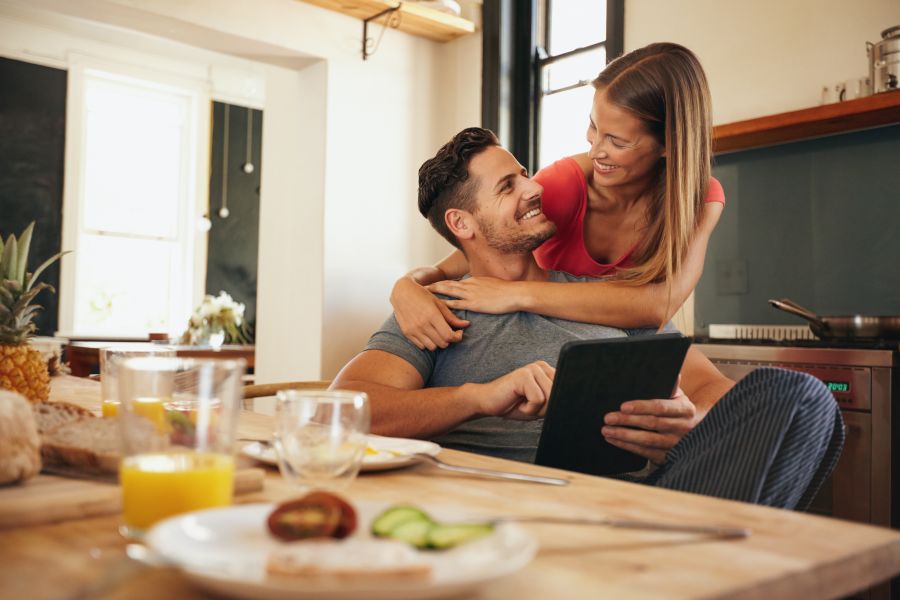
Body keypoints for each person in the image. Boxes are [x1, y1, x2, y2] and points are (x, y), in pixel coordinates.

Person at [332, 128, 843, 509]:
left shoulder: (604, 298)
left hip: (647, 496)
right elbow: (350, 410)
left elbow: (712, 388)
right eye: (508, 186)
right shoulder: (436, 309)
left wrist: (691, 423)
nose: (533, 188)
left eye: (526, 174)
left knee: (803, 398)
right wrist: (477, 398)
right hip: (518, 504)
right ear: (462, 223)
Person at [390, 42, 725, 351]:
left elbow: (658, 305)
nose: (595, 151)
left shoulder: (697, 199)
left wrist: (516, 295)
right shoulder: (563, 185)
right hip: (544, 342)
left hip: (624, 342)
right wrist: (404, 288)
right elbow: (483, 244)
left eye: (617, 142)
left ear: (668, 144)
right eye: (594, 128)